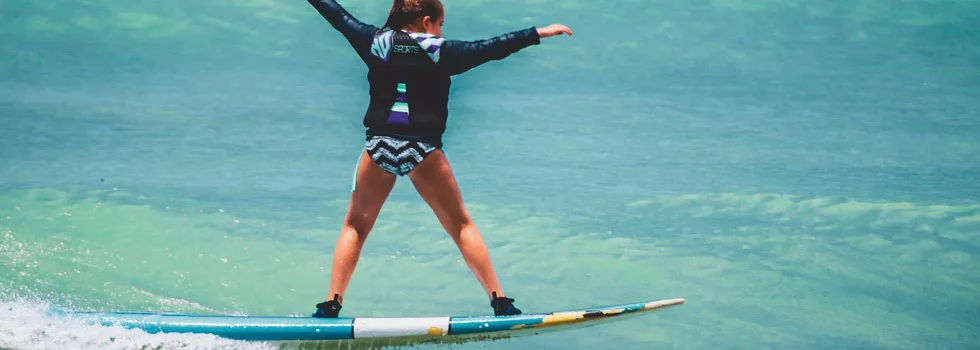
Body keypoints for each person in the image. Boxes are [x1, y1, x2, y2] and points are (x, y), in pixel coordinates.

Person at [305, 0, 573, 318]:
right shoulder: (442, 51)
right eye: (441, 24)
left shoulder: (374, 41)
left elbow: (337, 15)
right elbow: (492, 47)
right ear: (427, 21)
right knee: (460, 225)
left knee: (355, 226)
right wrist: (539, 32)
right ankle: (500, 301)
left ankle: (331, 304)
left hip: (379, 148)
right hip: (422, 150)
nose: (442, 30)